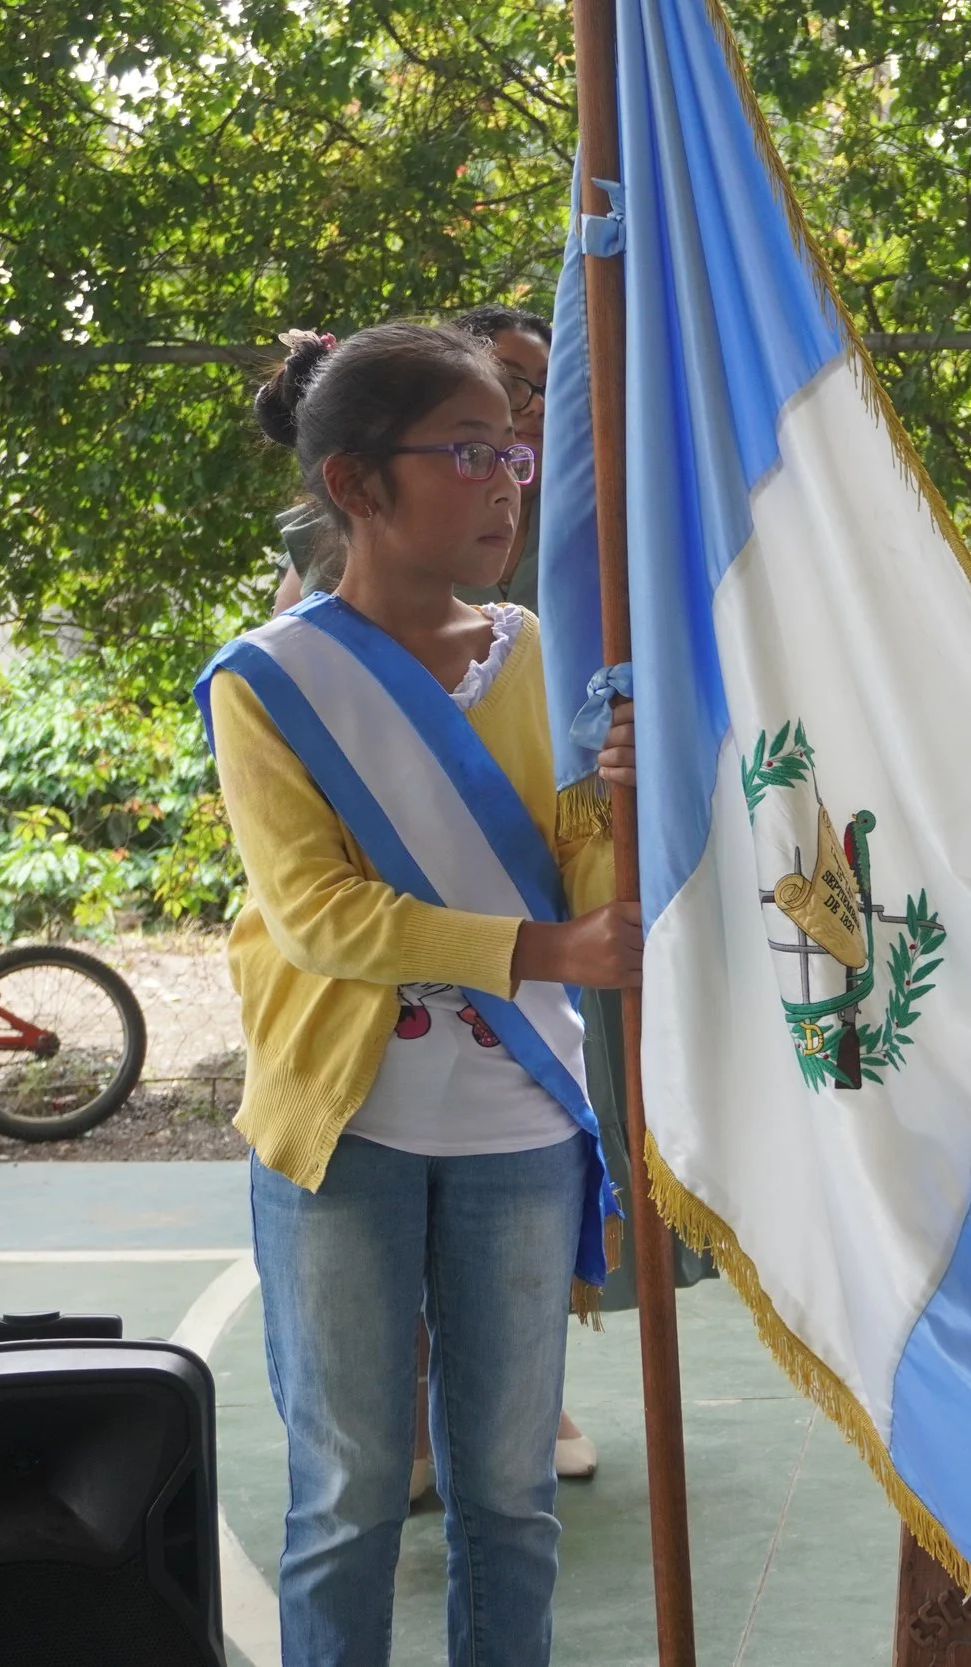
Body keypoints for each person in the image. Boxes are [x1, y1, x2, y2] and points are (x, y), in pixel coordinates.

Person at [206, 320, 642, 1664]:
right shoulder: (273, 679)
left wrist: (621, 791)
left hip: (519, 1123)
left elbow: (585, 876)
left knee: (509, 1498)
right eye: (469, 452)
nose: (509, 479)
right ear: (355, 483)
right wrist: (542, 955)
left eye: (514, 448)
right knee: (345, 1497)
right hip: (347, 1132)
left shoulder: (539, 652)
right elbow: (322, 914)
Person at [449, 304, 553, 611]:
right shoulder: (380, 516)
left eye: (549, 387)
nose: (538, 405)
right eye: (510, 383)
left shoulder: (595, 520)